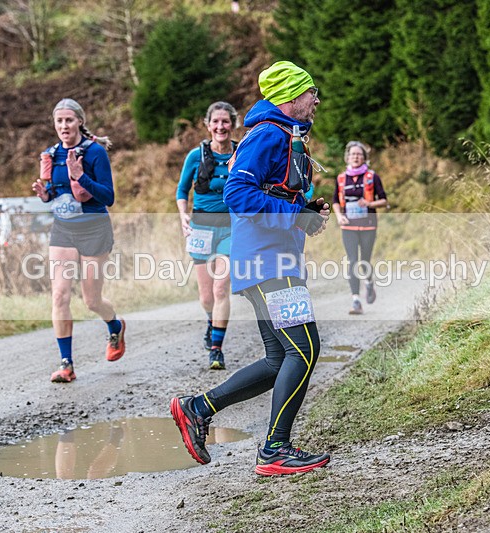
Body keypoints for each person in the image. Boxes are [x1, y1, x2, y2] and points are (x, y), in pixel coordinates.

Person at [171, 61, 333, 476]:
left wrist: (304, 210)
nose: (316, 99)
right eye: (310, 92)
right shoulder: (266, 135)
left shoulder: (285, 135)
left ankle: (197, 408)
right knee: (305, 348)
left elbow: (274, 195)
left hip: (273, 258)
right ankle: (274, 449)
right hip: (265, 262)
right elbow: (238, 194)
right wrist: (294, 215)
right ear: (289, 97)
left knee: (280, 358)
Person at [32, 98, 126, 383]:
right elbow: (56, 193)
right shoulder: (50, 154)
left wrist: (81, 177)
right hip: (63, 230)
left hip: (94, 229)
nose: (64, 126)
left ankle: (115, 325)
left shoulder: (95, 152)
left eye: (69, 120)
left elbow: (108, 197)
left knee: (91, 299)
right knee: (59, 295)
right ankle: (66, 364)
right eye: (59, 121)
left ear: (80, 122)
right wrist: (45, 195)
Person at [176, 102, 239, 370]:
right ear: (208, 124)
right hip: (201, 227)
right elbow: (181, 192)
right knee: (206, 296)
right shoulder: (195, 155)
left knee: (221, 287)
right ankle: (211, 322)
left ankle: (216, 348)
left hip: (232, 227)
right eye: (216, 122)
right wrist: (182, 216)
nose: (221, 127)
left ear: (233, 124)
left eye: (226, 122)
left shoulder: (242, 153)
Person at [331, 141, 388, 315]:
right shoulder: (341, 178)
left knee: (364, 262)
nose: (355, 157)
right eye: (352, 154)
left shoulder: (372, 177)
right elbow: (335, 201)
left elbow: (384, 201)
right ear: (347, 157)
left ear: (364, 157)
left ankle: (369, 283)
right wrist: (339, 216)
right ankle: (356, 300)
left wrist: (369, 203)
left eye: (359, 154)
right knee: (353, 261)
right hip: (348, 225)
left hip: (368, 225)